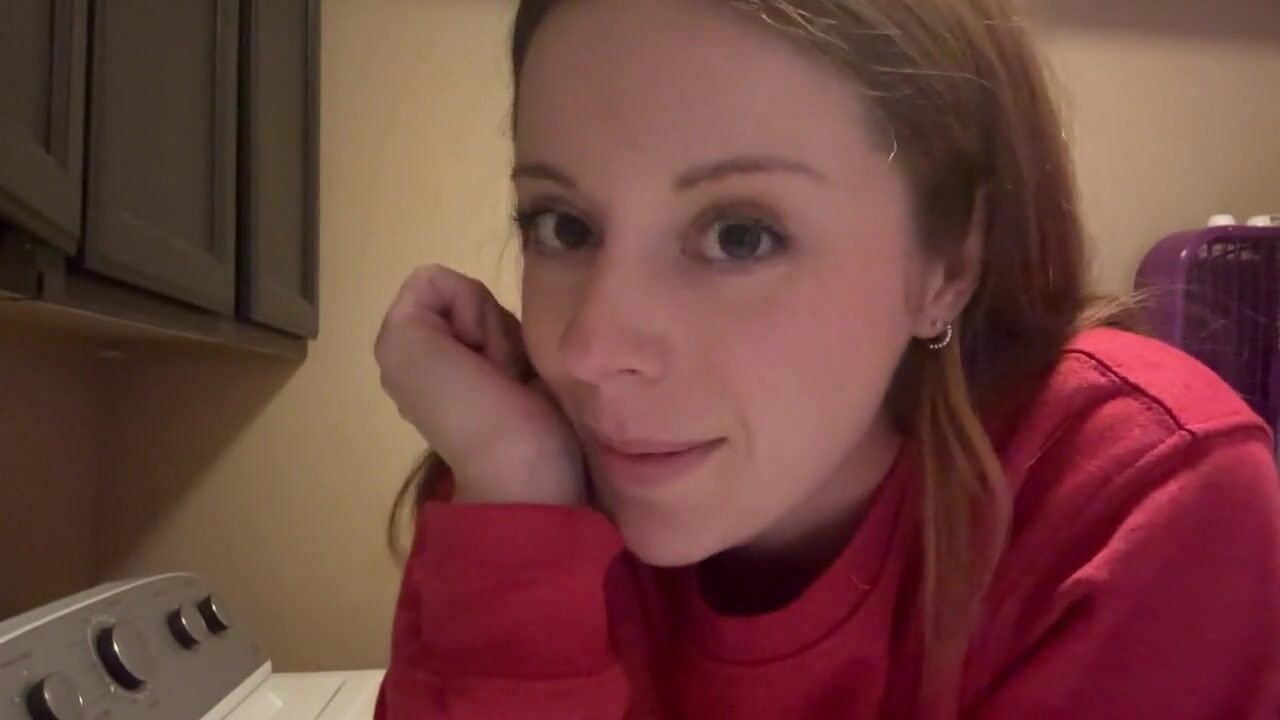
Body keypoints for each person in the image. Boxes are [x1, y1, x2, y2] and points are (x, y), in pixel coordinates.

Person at [372, 0, 1280, 717]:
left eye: (739, 235)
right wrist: (519, 497)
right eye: (563, 226)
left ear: (948, 263)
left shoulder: (1138, 504)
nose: (590, 350)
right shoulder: (518, 479)